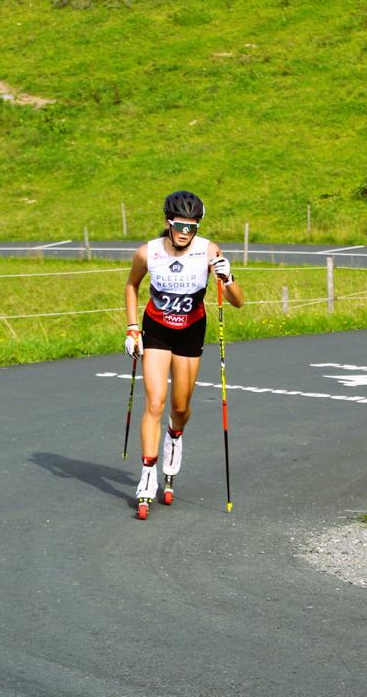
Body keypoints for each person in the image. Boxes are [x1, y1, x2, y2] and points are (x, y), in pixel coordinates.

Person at [124, 190, 244, 520]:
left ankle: (175, 436)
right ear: (168, 223)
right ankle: (148, 475)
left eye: (191, 227)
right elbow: (131, 285)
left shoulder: (209, 251)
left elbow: (238, 301)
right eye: (179, 226)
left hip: (191, 331)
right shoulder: (148, 252)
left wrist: (228, 277)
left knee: (179, 407)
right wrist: (133, 327)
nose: (184, 233)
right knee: (155, 402)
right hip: (157, 330)